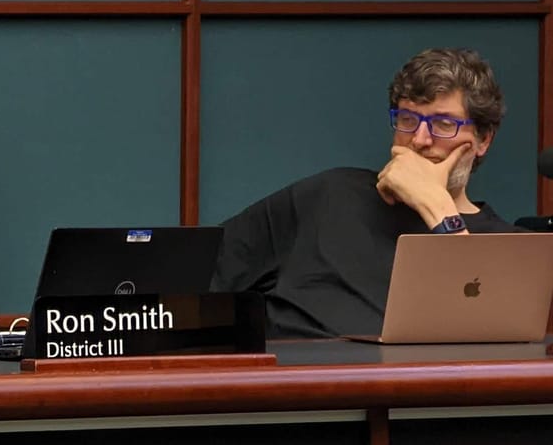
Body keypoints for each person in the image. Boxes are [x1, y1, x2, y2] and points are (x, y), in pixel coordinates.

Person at [212, 47, 520, 339]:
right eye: (408, 120)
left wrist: (437, 207)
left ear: (483, 140)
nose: (420, 140)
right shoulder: (329, 196)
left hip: (413, 377)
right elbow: (202, 272)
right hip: (295, 371)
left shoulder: (512, 247)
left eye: (443, 124)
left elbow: (493, 343)